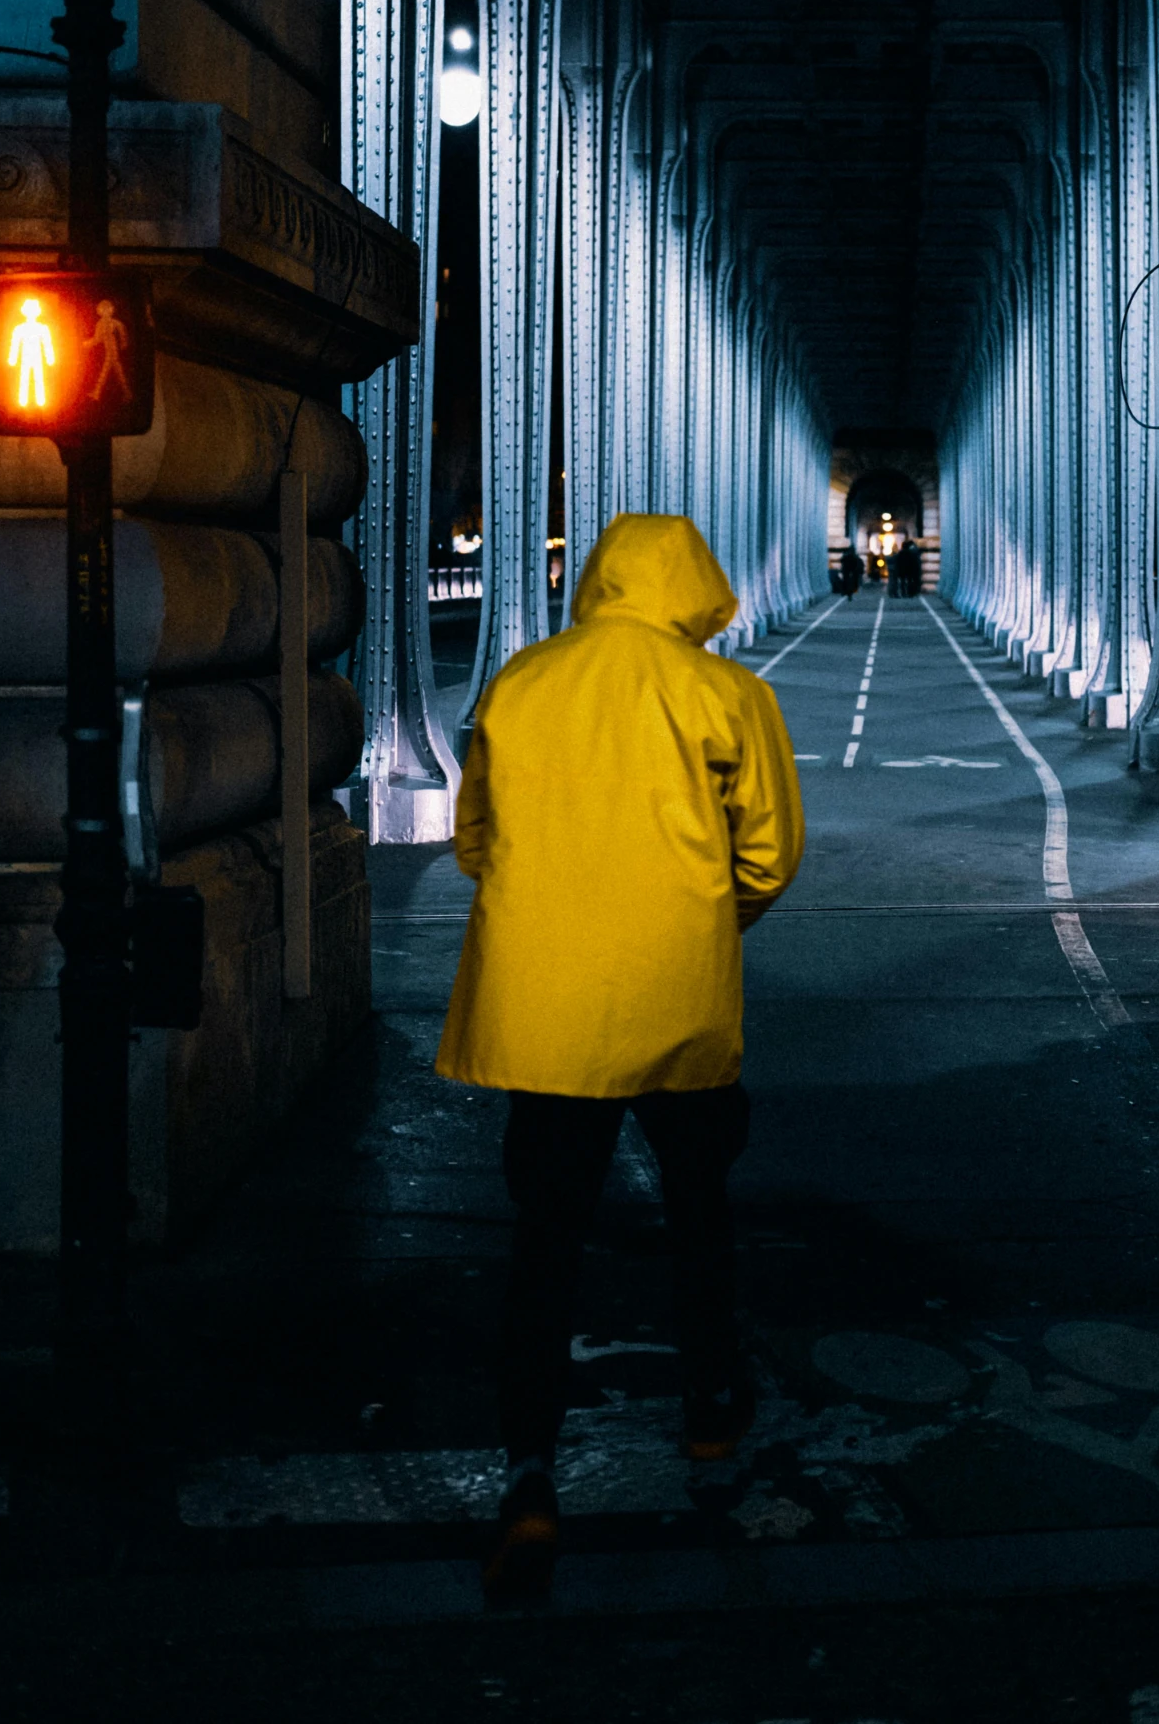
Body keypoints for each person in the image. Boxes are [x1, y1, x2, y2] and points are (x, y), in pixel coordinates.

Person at [435, 513, 805, 1604]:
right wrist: (698, 921)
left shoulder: (521, 680)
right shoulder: (727, 694)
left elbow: (473, 838)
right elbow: (771, 852)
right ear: (697, 586)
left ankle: (532, 1473)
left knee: (544, 1242)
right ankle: (706, 1408)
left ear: (597, 578)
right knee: (699, 1214)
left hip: (544, 1012)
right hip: (677, 1000)